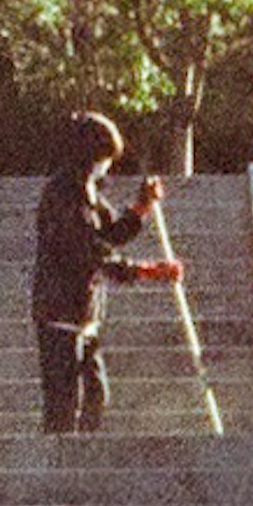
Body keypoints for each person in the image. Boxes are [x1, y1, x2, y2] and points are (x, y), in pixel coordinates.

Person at [32, 111, 172, 434]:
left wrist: (142, 206)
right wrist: (145, 272)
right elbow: (89, 253)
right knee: (65, 402)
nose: (106, 166)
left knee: (96, 394)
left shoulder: (90, 194)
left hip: (85, 314)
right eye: (104, 158)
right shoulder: (62, 195)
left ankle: (86, 457)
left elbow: (112, 233)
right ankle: (63, 467)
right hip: (59, 313)